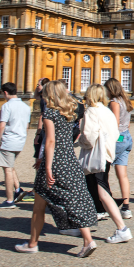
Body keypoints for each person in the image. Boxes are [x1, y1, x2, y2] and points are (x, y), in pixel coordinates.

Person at [15, 81, 98, 257]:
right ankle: (88, 240)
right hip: (70, 159)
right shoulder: (71, 112)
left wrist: (47, 166)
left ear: (49, 94)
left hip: (56, 162)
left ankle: (32, 244)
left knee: (38, 206)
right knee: (74, 200)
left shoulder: (50, 113)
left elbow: (50, 141)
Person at [78, 84, 132, 244]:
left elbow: (88, 136)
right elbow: (116, 132)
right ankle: (84, 223)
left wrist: (80, 141)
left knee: (100, 191)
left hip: (96, 155)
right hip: (107, 154)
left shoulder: (91, 111)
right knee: (98, 189)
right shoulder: (107, 111)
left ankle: (121, 228)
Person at [0, 82, 32, 208]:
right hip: (20, 140)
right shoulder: (26, 106)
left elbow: (2, 124)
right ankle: (18, 190)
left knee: (7, 169)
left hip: (8, 140)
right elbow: (27, 126)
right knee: (10, 166)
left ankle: (10, 200)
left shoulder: (7, 106)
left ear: (5, 93)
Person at [106, 77, 133, 219]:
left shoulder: (114, 102)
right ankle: (126, 208)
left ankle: (104, 205)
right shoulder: (125, 101)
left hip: (118, 139)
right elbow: (127, 123)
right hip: (127, 137)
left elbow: (114, 123)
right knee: (122, 175)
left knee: (102, 174)